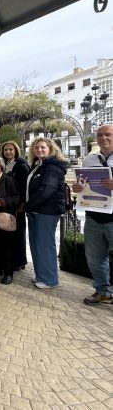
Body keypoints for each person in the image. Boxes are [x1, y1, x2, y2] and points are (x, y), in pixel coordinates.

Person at [72, 124, 113, 306]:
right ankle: (103, 291)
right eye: (100, 135)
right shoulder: (90, 159)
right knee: (95, 258)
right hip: (94, 216)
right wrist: (78, 187)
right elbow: (81, 182)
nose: (103, 138)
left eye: (108, 134)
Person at [25, 137, 68, 289]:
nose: (39, 150)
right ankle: (41, 275)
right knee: (36, 244)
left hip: (47, 211)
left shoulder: (53, 166)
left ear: (51, 149)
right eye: (36, 148)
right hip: (35, 210)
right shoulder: (38, 165)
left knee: (45, 244)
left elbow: (47, 191)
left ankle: (49, 279)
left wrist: (27, 205)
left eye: (43, 147)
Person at [1, 141, 29, 271]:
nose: (8, 152)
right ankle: (9, 259)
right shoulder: (4, 164)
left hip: (18, 205)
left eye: (10, 149)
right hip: (7, 204)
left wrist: (22, 203)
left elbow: (25, 186)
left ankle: (20, 261)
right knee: (8, 233)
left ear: (16, 150)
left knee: (18, 232)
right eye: (6, 149)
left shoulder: (21, 165)